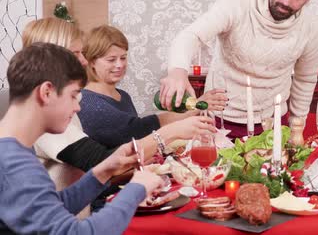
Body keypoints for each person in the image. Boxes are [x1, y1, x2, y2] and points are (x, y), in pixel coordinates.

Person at [23, 18, 213, 194]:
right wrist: (169, 133)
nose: (83, 61)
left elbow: (102, 167)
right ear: (50, 58)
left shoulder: (59, 102)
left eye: (123, 58)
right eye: (76, 54)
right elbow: (102, 161)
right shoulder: (43, 110)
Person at [0, 42, 164, 234]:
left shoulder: (13, 149)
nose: (78, 107)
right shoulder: (15, 164)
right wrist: (137, 188)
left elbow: (52, 208)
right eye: (73, 95)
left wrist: (103, 171)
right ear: (46, 92)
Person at [160, 0, 318, 138]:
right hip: (220, 120)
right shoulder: (235, 5)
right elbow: (191, 35)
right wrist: (177, 72)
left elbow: (305, 80)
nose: (287, 1)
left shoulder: (311, 27)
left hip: (273, 122)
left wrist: (297, 129)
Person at [78, 25, 219, 148]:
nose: (119, 65)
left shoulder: (123, 96)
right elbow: (136, 131)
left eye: (123, 57)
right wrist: (193, 111)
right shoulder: (88, 101)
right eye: (111, 60)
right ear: (92, 62)